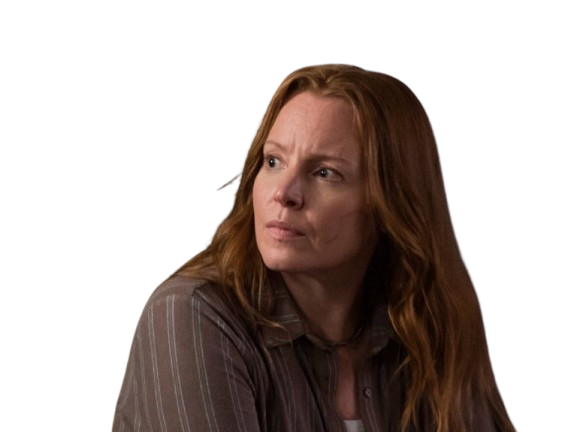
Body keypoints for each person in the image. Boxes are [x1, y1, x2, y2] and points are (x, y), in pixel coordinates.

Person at [111, 63, 517, 432]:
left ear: (390, 203)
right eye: (273, 161)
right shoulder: (191, 313)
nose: (284, 193)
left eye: (324, 172)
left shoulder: (429, 322)